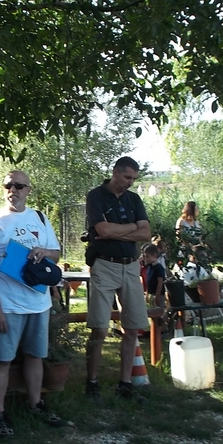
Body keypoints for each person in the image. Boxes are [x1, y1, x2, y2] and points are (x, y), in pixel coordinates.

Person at [0, 170, 64, 438]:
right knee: (2, 361)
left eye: (19, 186)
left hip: (38, 302)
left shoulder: (39, 217)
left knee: (35, 356)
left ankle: (35, 404)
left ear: (28, 190)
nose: (12, 190)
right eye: (8, 186)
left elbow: (57, 254)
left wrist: (44, 252)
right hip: (8, 305)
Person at [84, 156, 151, 402]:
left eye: (133, 179)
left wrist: (117, 232)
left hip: (131, 267)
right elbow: (102, 231)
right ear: (115, 172)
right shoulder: (96, 196)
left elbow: (146, 233)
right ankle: (91, 382)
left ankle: (125, 384)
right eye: (126, 177)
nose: (130, 183)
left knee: (133, 327)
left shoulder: (134, 199)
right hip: (104, 265)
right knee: (99, 329)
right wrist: (131, 229)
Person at [141, 243, 166, 310]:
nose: (145, 258)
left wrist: (157, 296)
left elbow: (160, 282)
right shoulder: (149, 266)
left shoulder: (158, 267)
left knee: (158, 313)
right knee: (152, 313)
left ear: (154, 256)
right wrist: (147, 293)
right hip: (150, 294)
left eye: (147, 256)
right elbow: (148, 281)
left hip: (158, 294)